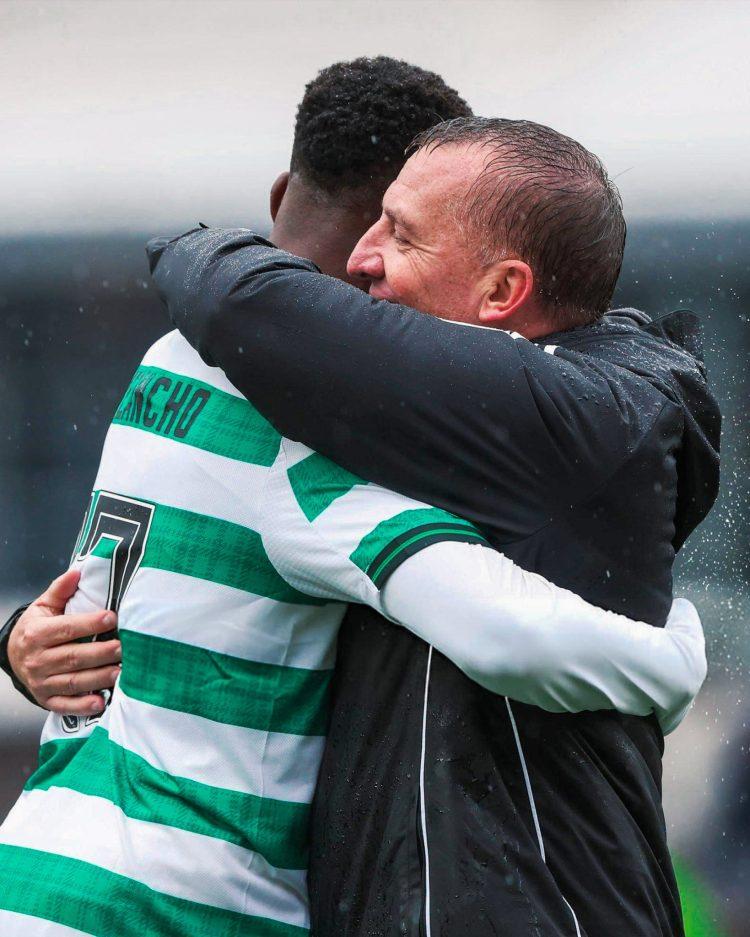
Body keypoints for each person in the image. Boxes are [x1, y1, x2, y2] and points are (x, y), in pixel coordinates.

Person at [0, 62, 711, 936]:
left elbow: (105, 609)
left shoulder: (164, 363)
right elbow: (509, 633)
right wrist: (675, 656)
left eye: (404, 235)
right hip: (173, 903)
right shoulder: (301, 429)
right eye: (378, 226)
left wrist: (17, 640)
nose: (371, 260)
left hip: (44, 859)